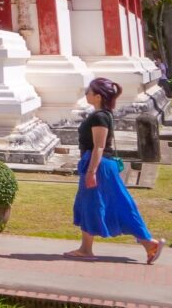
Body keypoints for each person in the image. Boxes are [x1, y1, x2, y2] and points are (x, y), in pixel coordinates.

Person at [67, 77, 163, 264]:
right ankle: (86, 248)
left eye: (89, 91)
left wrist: (91, 171)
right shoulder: (103, 114)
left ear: (97, 96)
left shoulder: (99, 116)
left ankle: (148, 242)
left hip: (99, 164)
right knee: (95, 204)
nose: (86, 93)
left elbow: (99, 146)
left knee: (111, 203)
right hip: (101, 164)